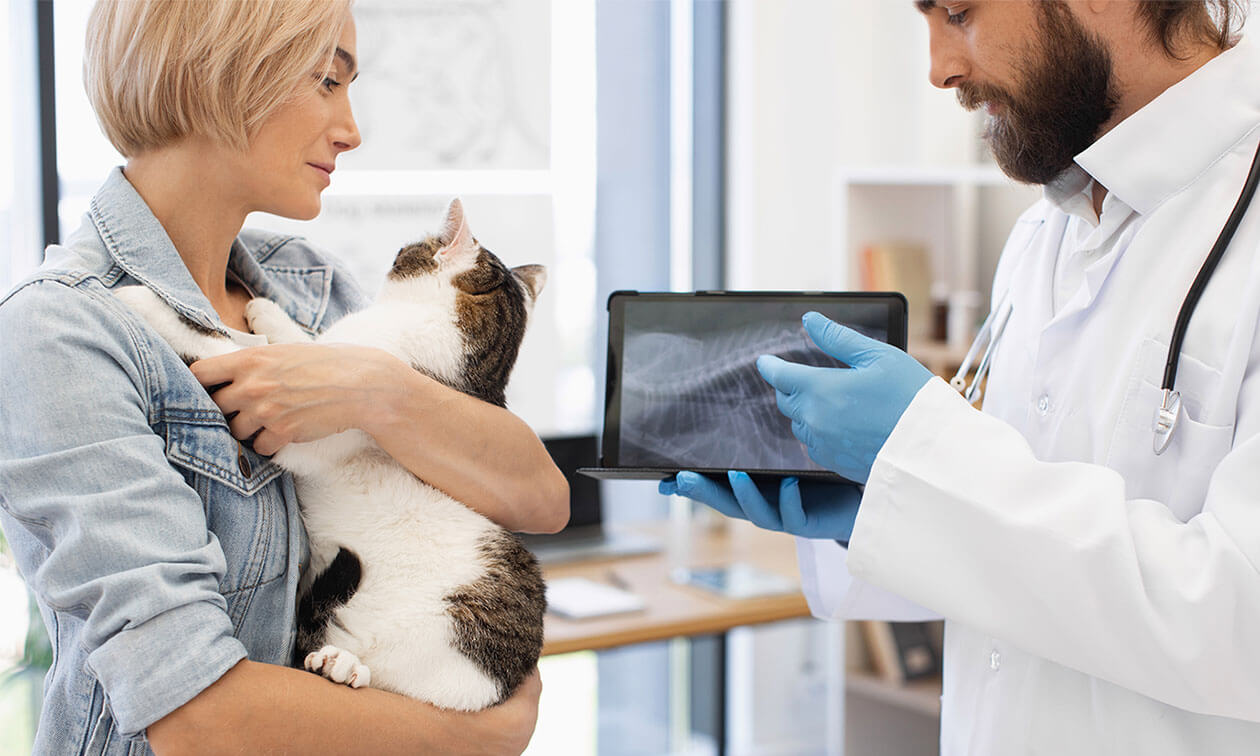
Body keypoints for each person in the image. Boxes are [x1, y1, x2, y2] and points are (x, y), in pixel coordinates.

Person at [664, 1, 1260, 753]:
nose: (938, 67)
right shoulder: (1045, 230)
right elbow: (1024, 573)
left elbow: (1242, 618)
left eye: (957, 12)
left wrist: (931, 467)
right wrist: (880, 504)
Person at [0, 1, 568, 753]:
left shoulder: (309, 284)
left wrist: (374, 388)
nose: (352, 129)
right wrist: (475, 738)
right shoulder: (60, 331)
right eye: (328, 81)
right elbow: (195, 715)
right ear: (220, 72)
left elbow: (540, 497)